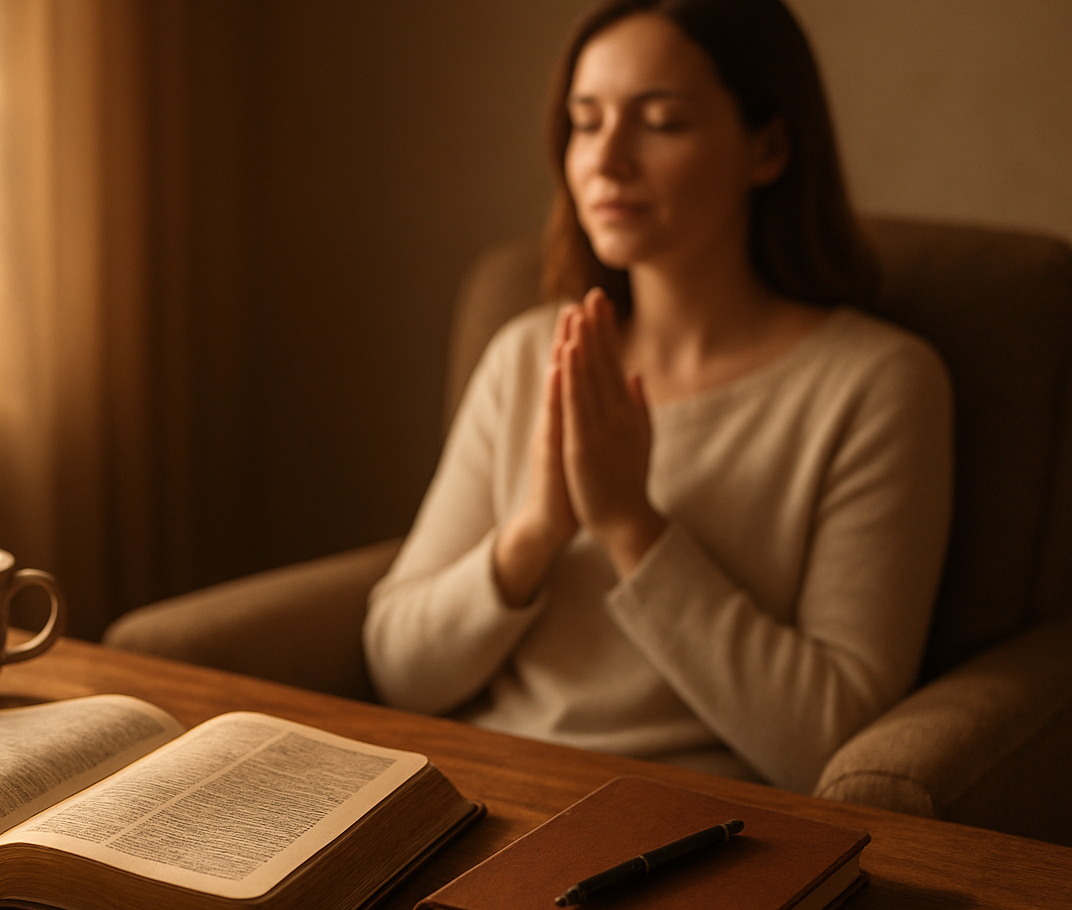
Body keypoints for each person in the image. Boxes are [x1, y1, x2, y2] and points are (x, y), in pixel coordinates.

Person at [362, 0, 953, 794]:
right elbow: (399, 666)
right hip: (479, 790)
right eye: (585, 121)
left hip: (691, 825)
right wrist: (535, 531)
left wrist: (629, 526)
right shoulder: (529, 353)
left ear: (768, 147)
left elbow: (829, 737)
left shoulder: (876, 384)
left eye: (662, 122)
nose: (605, 161)